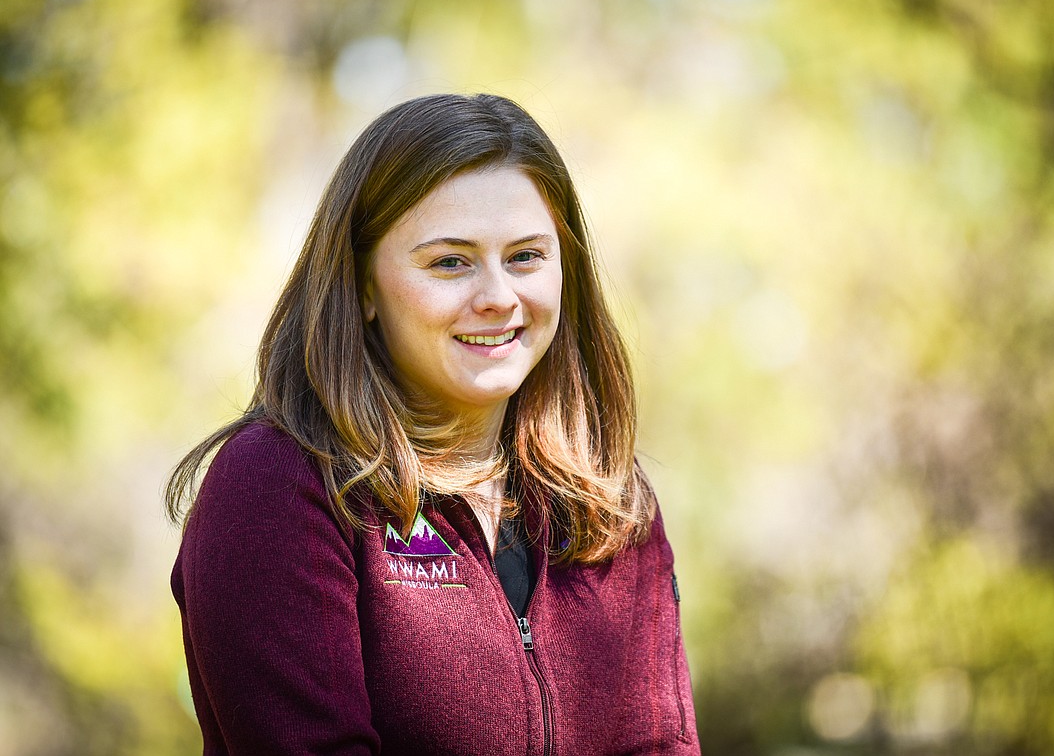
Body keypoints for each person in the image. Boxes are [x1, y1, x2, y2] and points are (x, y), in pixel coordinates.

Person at [166, 93, 699, 755]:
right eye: (451, 261)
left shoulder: (610, 502)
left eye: (527, 256)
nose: (498, 296)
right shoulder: (276, 485)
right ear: (361, 286)